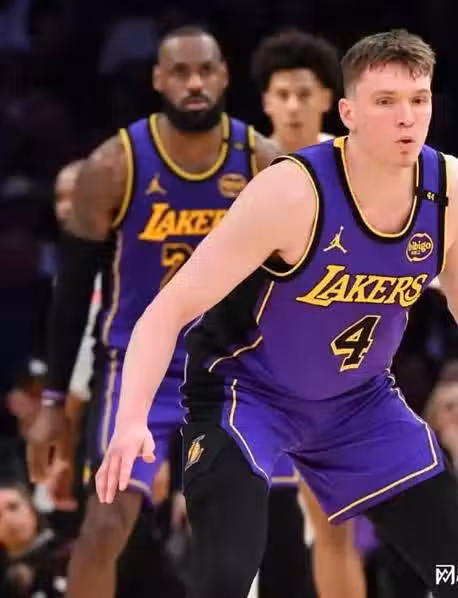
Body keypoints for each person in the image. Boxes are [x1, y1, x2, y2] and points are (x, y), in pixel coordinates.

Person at [96, 29, 458, 598]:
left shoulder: (450, 188)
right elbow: (168, 309)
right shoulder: (291, 192)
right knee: (226, 577)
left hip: (358, 402)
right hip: (247, 394)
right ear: (348, 113)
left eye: (419, 99)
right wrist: (130, 420)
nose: (407, 117)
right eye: (386, 101)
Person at [26, 25, 278, 598]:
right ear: (158, 79)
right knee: (105, 523)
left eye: (205, 70)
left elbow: (298, 277)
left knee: (231, 530)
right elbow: (73, 291)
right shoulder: (113, 166)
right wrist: (54, 401)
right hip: (138, 367)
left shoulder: (262, 162)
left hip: (229, 368)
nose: (194, 83)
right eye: (180, 72)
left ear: (224, 76)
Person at [251, 29, 365, 598]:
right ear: (266, 102)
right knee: (230, 519)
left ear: (328, 99)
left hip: (334, 365)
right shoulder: (240, 164)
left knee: (332, 522)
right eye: (283, 94)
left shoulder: (356, 165)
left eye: (304, 93)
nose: (294, 106)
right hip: (250, 363)